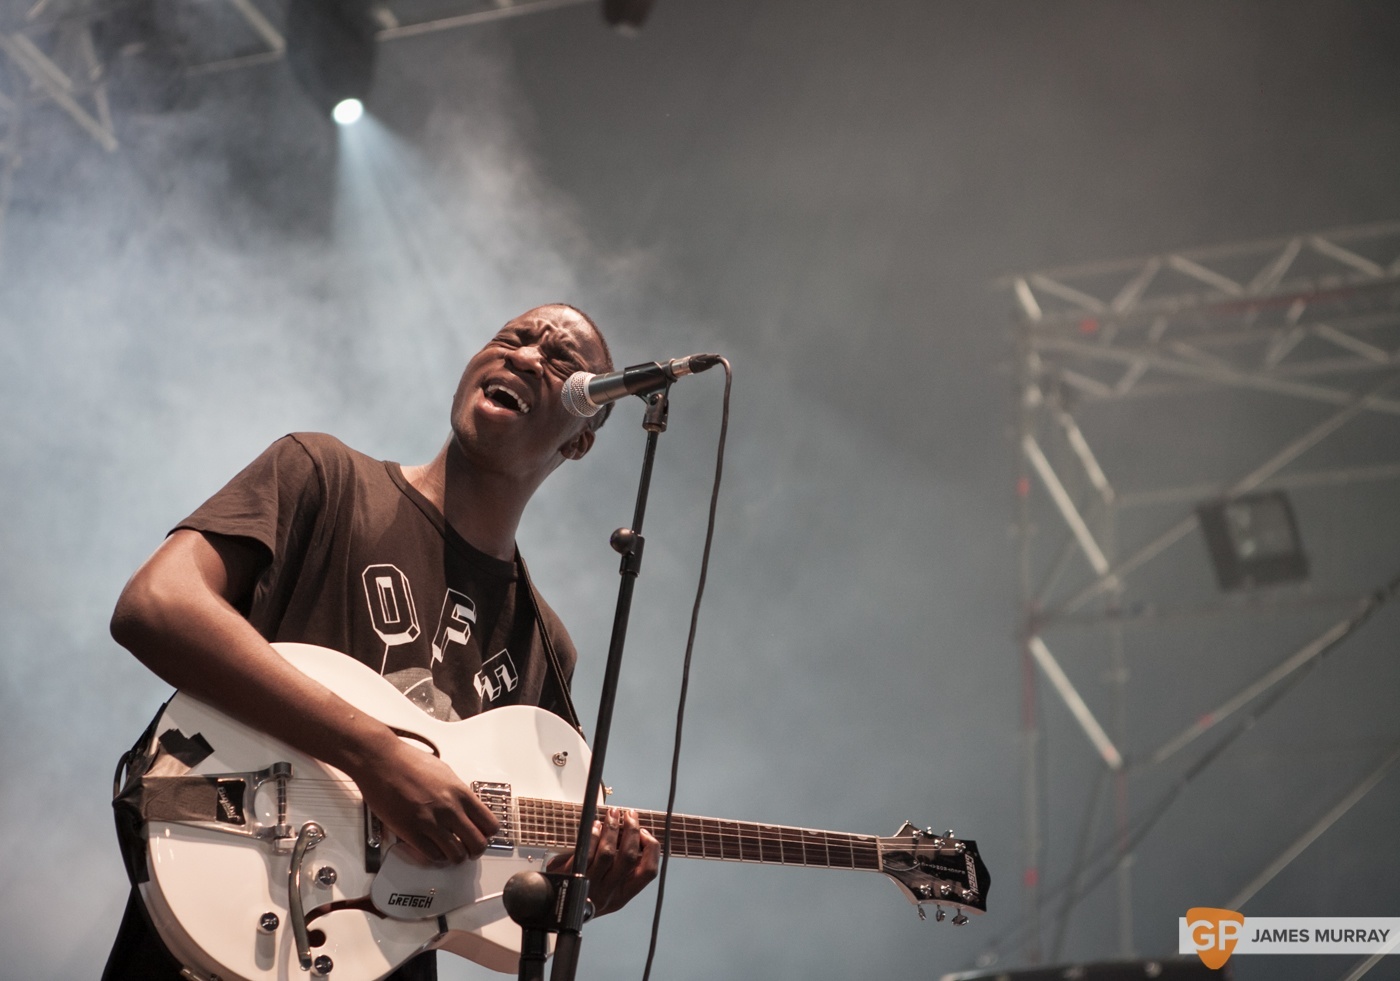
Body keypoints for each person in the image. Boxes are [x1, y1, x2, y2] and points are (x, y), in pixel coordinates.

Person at [103, 304, 661, 980]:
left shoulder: (544, 645)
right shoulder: (323, 475)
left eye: (561, 360)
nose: (526, 357)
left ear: (582, 436)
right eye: (512, 338)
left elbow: (491, 888)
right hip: (220, 908)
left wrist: (581, 889)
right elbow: (155, 605)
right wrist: (374, 754)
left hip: (378, 957)